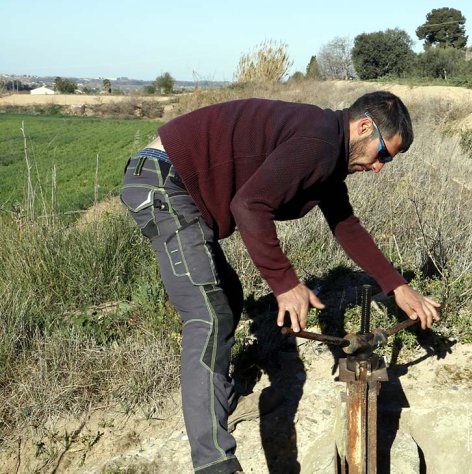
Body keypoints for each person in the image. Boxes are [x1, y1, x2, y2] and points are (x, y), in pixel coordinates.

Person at [120, 91, 441, 474]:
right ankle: (214, 463)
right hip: (163, 181)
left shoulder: (326, 149)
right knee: (207, 315)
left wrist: (398, 286)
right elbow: (249, 205)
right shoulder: (319, 141)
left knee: (229, 296)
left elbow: (345, 225)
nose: (379, 168)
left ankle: (217, 397)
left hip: (172, 180)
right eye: (383, 155)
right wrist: (285, 283)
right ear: (364, 126)